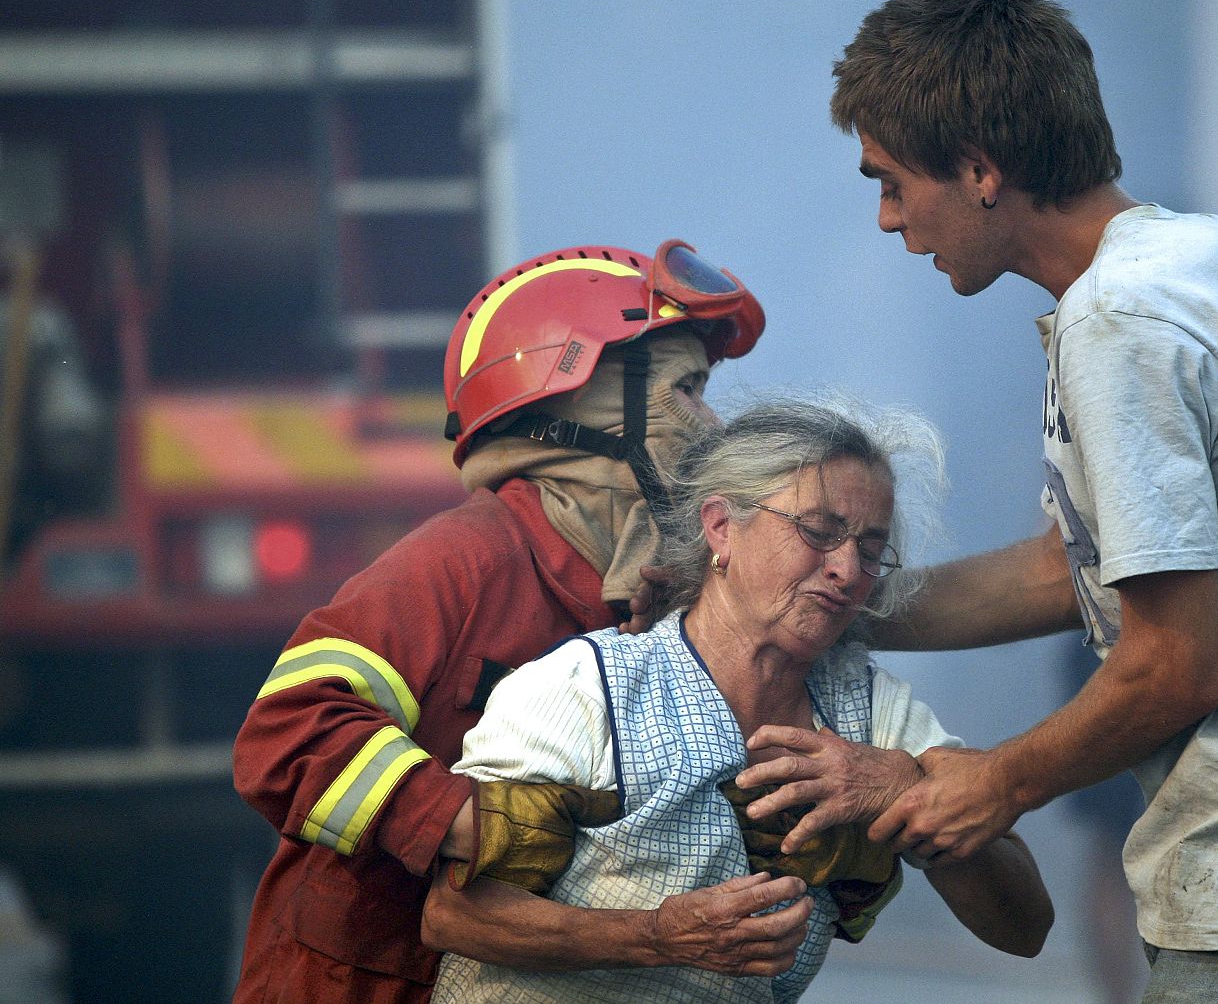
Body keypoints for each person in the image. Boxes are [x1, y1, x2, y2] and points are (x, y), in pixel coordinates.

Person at [741, 0, 1218, 1003]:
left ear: (979, 168)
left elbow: (1174, 667)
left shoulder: (1121, 324)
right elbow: (1075, 566)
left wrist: (993, 778)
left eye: (892, 180)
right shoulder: (1199, 253)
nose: (890, 220)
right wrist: (845, 603)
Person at [230, 239, 766, 1004]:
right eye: (687, 390)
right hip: (356, 980)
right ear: (590, 403)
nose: (712, 426)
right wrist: (458, 817)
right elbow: (288, 725)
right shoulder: (466, 561)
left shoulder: (666, 594)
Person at [421, 399, 1054, 1003]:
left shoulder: (875, 715)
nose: (848, 570)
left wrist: (907, 789)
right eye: (819, 530)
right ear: (722, 527)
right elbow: (453, 917)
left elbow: (1025, 929)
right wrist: (657, 937)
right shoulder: (585, 687)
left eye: (870, 549)